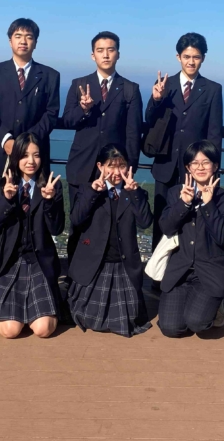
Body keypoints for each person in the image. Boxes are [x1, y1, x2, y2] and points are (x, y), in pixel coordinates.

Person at [62, 31, 143, 260]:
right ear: (93, 55)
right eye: (100, 50)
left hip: (114, 169)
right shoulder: (79, 84)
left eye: (110, 50)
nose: (105, 55)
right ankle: (75, 271)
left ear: (118, 54)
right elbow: (67, 120)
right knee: (78, 221)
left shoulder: (130, 88)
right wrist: (83, 109)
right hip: (81, 165)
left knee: (110, 221)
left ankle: (106, 269)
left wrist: (129, 168)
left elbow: (133, 133)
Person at [143, 32, 222, 254]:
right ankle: (158, 269)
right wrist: (156, 99)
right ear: (178, 57)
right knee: (163, 218)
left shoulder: (212, 89)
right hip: (165, 163)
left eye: (196, 57)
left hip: (196, 167)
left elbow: (214, 132)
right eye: (186, 56)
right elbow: (149, 119)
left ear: (203, 58)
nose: (191, 61)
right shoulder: (165, 85)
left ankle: (188, 267)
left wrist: (212, 169)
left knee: (192, 220)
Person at [0, 132, 65, 339]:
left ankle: (31, 309)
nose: (31, 161)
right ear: (15, 157)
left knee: (43, 329)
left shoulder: (51, 185)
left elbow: (56, 229)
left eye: (36, 155)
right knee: (10, 331)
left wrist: (49, 202)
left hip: (39, 263)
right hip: (8, 263)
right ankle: (16, 308)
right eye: (25, 155)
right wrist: (7, 201)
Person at [67, 144, 153, 337]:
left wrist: (135, 194)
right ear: (100, 166)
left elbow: (145, 222)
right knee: (88, 315)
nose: (116, 172)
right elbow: (76, 219)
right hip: (95, 264)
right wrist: (93, 193)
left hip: (123, 264)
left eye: (121, 166)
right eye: (111, 166)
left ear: (128, 167)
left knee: (128, 317)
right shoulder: (87, 190)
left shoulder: (135, 192)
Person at [157, 140, 224, 338]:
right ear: (188, 167)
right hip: (180, 271)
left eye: (206, 162)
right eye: (194, 163)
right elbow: (166, 227)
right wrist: (183, 204)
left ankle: (216, 306)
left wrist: (209, 205)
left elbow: (223, 237)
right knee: (170, 328)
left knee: (197, 323)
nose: (200, 167)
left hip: (210, 271)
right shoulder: (176, 193)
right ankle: (200, 303)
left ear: (215, 166)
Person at [0, 18, 60, 186]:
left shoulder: (50, 76)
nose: (23, 41)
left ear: (35, 43)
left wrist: (28, 144)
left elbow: (51, 114)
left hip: (35, 158)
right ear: (10, 41)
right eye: (18, 36)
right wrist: (6, 140)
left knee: (34, 202)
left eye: (29, 37)